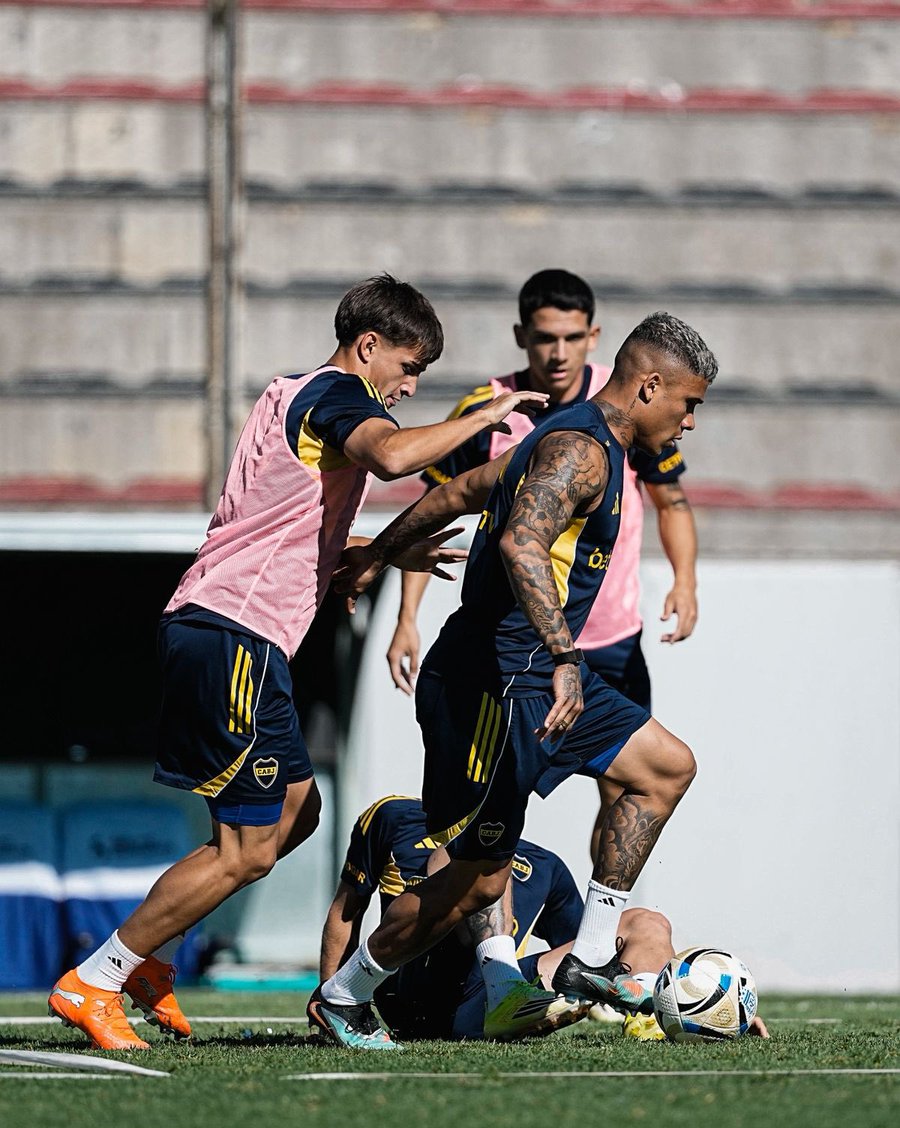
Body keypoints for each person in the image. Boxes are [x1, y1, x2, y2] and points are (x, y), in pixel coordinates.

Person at [48, 274, 547, 1052]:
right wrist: (486, 416)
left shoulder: (292, 394)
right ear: (368, 346)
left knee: (297, 813)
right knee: (245, 850)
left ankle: (146, 957)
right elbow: (390, 458)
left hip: (230, 631)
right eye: (408, 369)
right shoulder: (340, 397)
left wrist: (365, 554)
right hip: (232, 637)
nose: (409, 389)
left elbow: (270, 525)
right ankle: (99, 977)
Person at [311, 311, 718, 1051]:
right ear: (651, 386)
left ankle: (593, 956)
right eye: (688, 403)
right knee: (474, 882)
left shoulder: (579, 443)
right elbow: (519, 538)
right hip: (492, 683)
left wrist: (378, 557)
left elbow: (464, 489)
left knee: (665, 767)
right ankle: (345, 995)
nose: (690, 421)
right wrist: (567, 656)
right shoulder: (580, 451)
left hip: (533, 672)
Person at [384, 269, 699, 859]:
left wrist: (686, 580)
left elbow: (672, 501)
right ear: (522, 336)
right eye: (545, 338)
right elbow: (455, 498)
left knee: (642, 779)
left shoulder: (632, 409)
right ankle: (429, 932)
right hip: (526, 651)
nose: (558, 353)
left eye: (572, 338)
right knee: (478, 858)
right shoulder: (497, 412)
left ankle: (592, 942)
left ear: (593, 337)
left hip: (607, 638)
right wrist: (405, 610)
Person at [320, 793, 691, 1042]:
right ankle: (504, 994)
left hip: (483, 1008)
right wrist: (324, 1000)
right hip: (411, 994)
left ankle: (656, 1015)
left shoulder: (546, 865)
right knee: (477, 861)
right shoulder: (393, 814)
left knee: (647, 923)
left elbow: (586, 959)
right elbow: (346, 911)